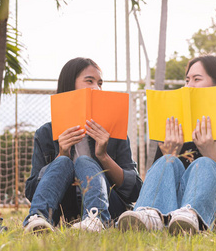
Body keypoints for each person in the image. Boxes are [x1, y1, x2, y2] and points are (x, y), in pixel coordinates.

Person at [117, 54, 216, 235]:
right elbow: (160, 184)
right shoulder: (177, 125)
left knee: (204, 164)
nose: (188, 85)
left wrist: (212, 156)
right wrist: (171, 152)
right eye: (187, 80)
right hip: (175, 208)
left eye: (197, 79)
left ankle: (194, 215)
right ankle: (148, 214)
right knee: (168, 160)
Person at [24, 57, 142, 233]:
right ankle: (39, 218)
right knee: (63, 162)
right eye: (89, 81)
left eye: (100, 83)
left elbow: (135, 192)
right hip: (65, 211)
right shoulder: (46, 134)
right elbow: (32, 191)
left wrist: (103, 156)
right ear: (70, 85)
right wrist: (61, 154)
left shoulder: (114, 132)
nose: (97, 88)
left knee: (84, 161)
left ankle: (96, 218)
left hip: (111, 210)